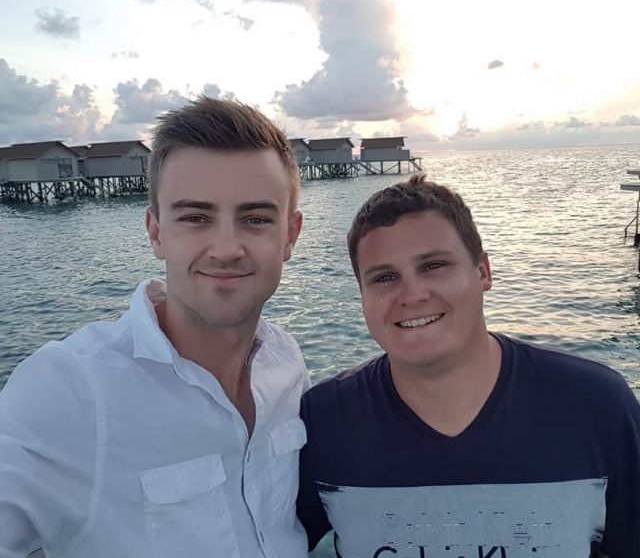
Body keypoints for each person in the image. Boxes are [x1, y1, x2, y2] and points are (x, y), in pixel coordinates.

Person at [0, 97, 310, 558]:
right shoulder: (71, 389)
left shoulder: (286, 362)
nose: (226, 248)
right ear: (156, 232)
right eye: (195, 218)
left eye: (255, 219)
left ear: (290, 235)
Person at [297, 174, 640, 558]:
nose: (412, 295)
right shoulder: (325, 420)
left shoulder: (597, 407)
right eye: (385, 277)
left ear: (483, 272)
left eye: (433, 266)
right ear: (362, 294)